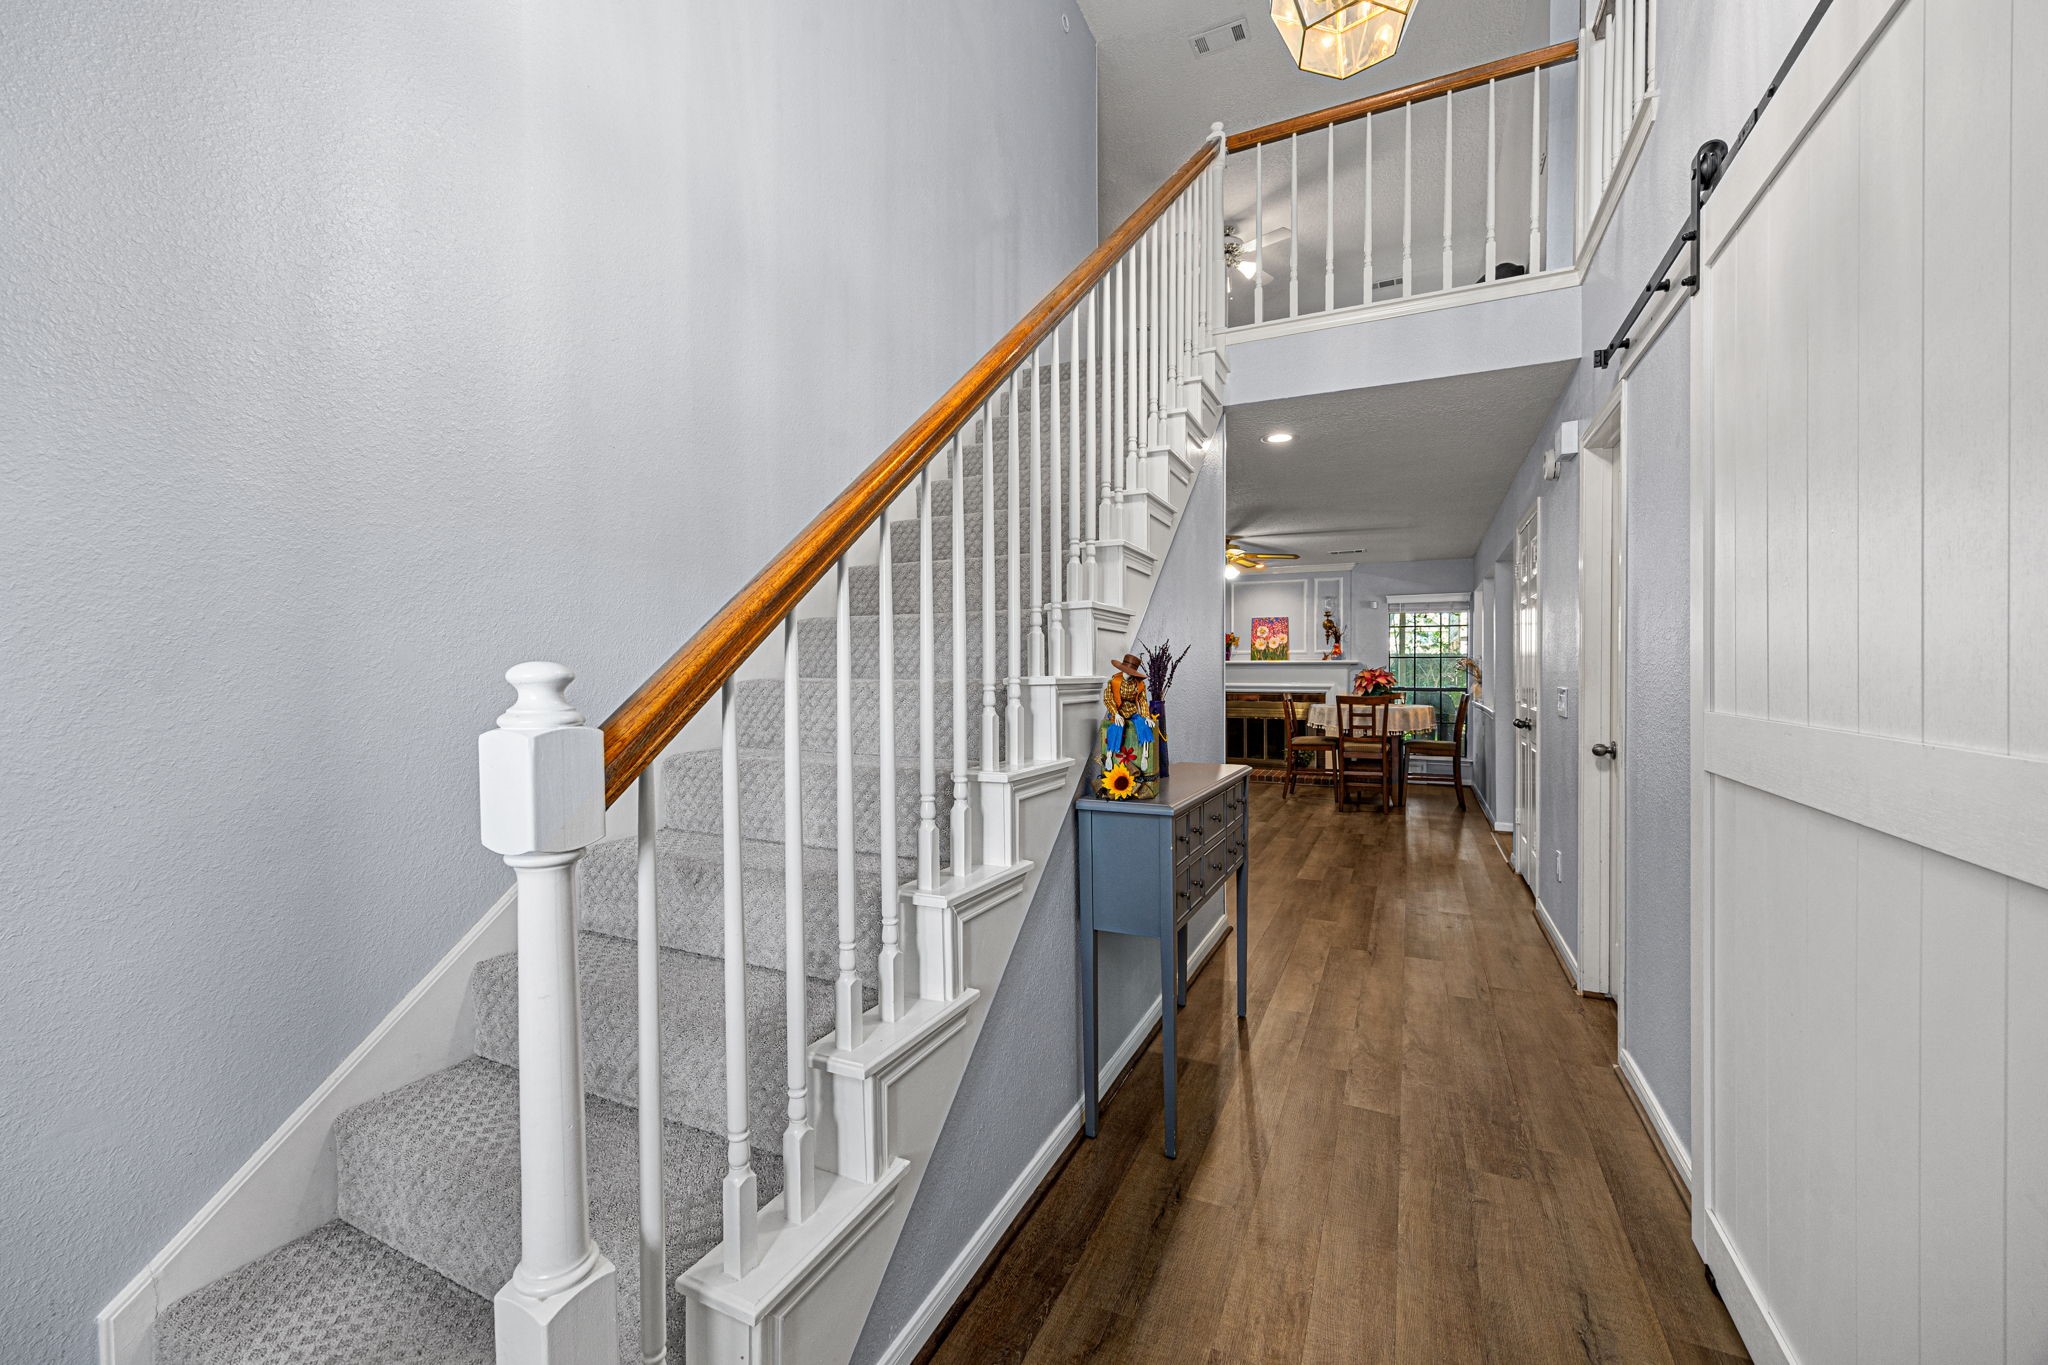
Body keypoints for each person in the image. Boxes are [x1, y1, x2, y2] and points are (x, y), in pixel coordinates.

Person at [1095, 653, 1160, 799]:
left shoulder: (1138, 684)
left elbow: (1142, 701)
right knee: (1116, 728)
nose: (1128, 674)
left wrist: (1146, 716)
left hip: (1132, 712)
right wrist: (1115, 714)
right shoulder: (1114, 681)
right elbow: (1108, 699)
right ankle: (1110, 754)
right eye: (1126, 671)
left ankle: (1144, 755)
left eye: (1131, 672)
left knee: (1144, 726)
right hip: (1118, 712)